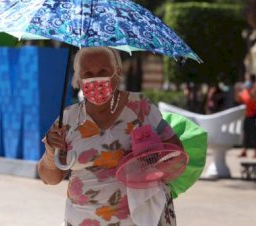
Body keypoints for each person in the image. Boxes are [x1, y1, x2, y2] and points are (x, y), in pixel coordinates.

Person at [38, 47, 184, 226]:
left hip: (138, 219)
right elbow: (49, 178)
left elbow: (177, 156)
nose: (95, 78)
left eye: (103, 71)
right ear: (78, 78)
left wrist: (146, 159)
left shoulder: (141, 108)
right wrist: (50, 150)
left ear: (118, 72)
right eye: (88, 73)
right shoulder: (68, 118)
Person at [235, 74, 256, 158]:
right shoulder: (244, 91)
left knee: (254, 134)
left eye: (249, 80)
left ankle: (255, 152)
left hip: (255, 115)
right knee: (245, 134)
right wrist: (237, 92)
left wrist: (254, 92)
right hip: (246, 115)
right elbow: (238, 99)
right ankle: (244, 151)